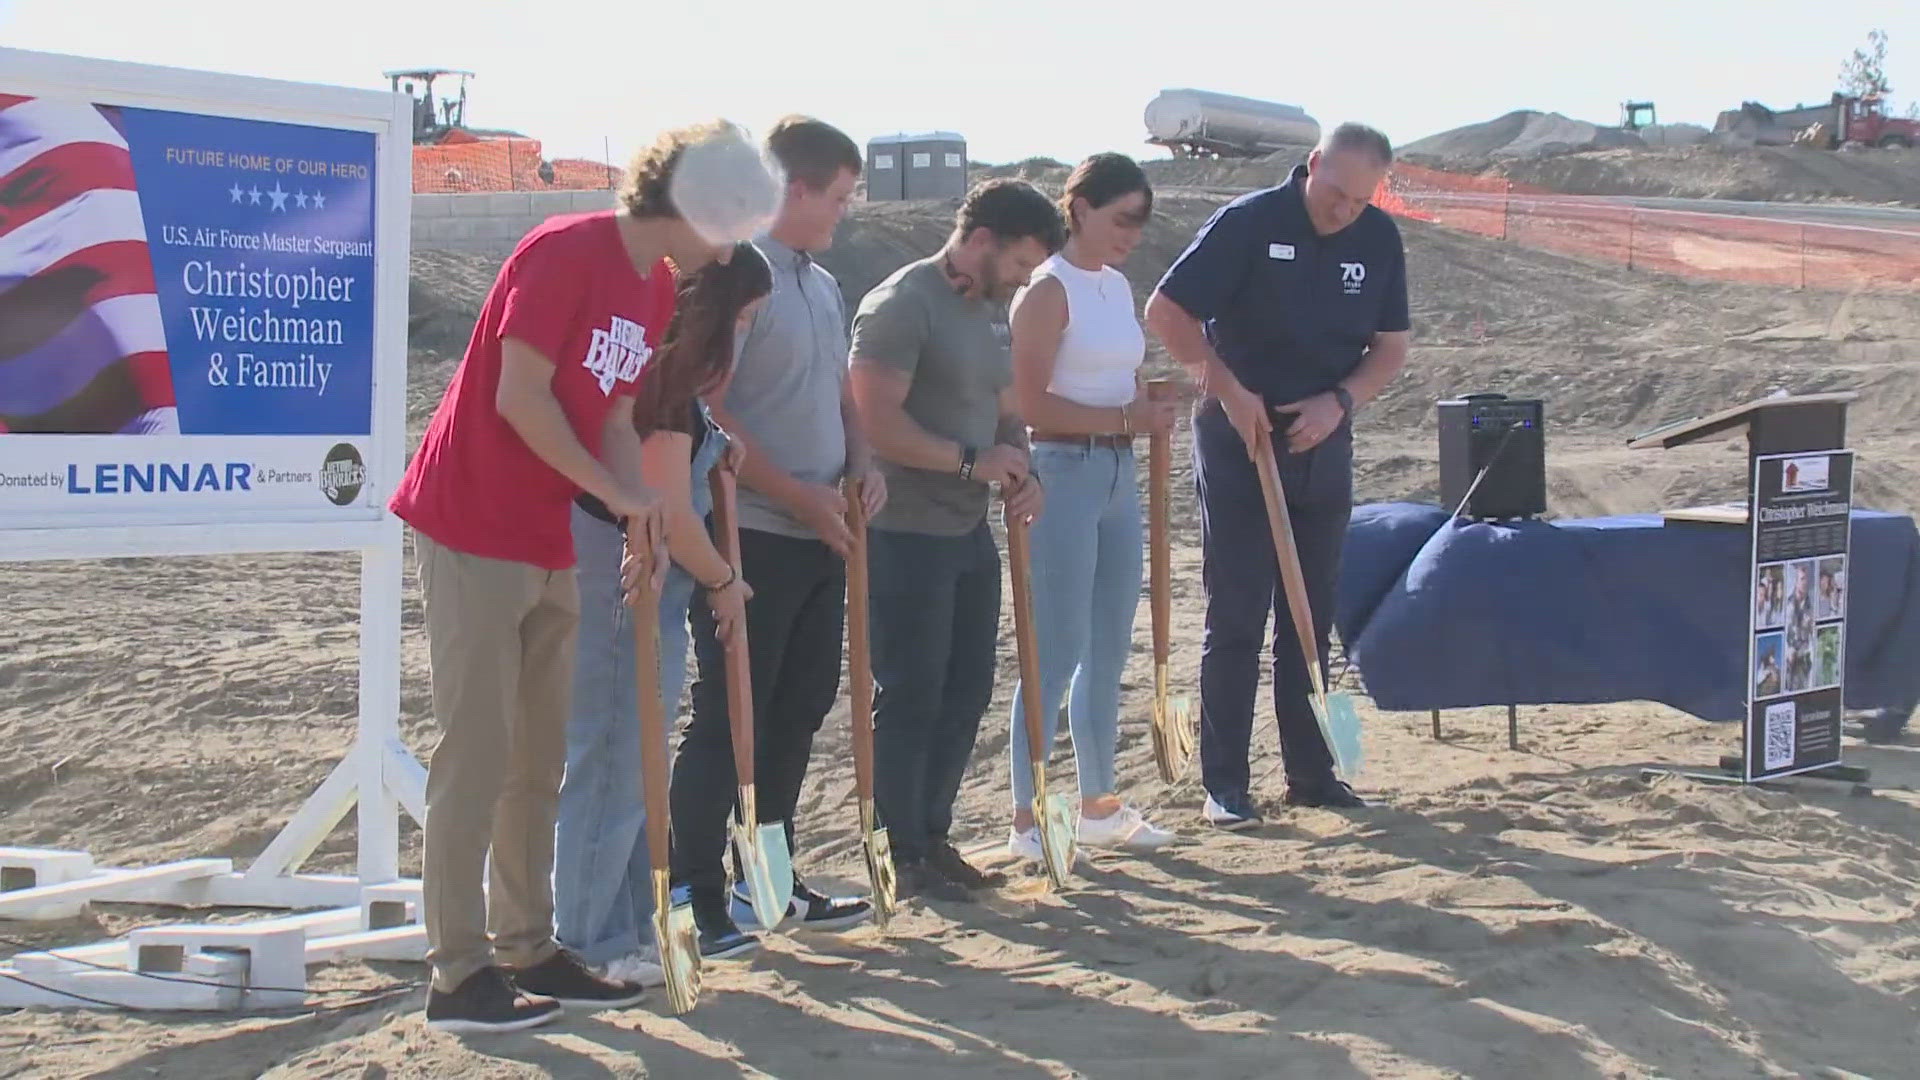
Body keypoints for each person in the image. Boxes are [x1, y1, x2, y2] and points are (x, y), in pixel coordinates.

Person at [389, 119, 778, 1035]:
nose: (733, 240)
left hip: (548, 537)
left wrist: (636, 500)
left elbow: (608, 413)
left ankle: (529, 947)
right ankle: (457, 974)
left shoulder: (653, 288)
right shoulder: (565, 250)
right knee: (477, 754)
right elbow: (517, 397)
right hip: (470, 519)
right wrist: (611, 488)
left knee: (537, 757)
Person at [1144, 122, 1412, 830]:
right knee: (1237, 613)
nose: (1343, 210)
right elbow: (1168, 313)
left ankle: (1314, 774)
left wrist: (1341, 401)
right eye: (1335, 193)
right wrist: (1225, 389)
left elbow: (1390, 346)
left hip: (1322, 439)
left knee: (1309, 616)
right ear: (1313, 164)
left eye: (1360, 200)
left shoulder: (1379, 239)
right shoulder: (1249, 223)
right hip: (1241, 438)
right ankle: (1225, 784)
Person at [678, 116, 885, 948]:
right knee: (732, 715)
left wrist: (860, 463)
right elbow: (712, 409)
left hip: (822, 531)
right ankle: (694, 889)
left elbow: (841, 396)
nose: (843, 212)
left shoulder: (822, 283)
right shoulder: (740, 278)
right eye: (836, 197)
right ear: (795, 189)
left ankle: (768, 877)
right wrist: (796, 495)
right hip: (749, 532)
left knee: (798, 707)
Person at [552, 242, 774, 984]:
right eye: (743, 320)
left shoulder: (677, 392)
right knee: (616, 756)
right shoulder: (664, 382)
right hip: (628, 578)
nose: (745, 338)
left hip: (644, 579)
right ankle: (588, 940)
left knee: (638, 762)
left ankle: (626, 930)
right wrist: (725, 580)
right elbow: (672, 516)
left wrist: (718, 445)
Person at [848, 178, 1061, 900]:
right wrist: (971, 462)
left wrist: (1019, 465)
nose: (1025, 279)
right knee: (911, 691)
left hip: (969, 529)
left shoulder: (994, 313)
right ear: (979, 241)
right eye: (1021, 263)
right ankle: (897, 850)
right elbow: (872, 421)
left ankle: (932, 837)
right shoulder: (902, 305)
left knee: (966, 688)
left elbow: (1007, 411)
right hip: (903, 530)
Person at [1002, 153, 1178, 862]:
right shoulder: (1046, 292)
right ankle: (1026, 816)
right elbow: (1029, 403)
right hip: (1062, 472)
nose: (1130, 235)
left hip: (1115, 475)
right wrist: (1127, 421)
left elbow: (1122, 382)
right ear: (1079, 209)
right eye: (1120, 219)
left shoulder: (1116, 286)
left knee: (1110, 642)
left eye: (1139, 223)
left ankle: (1098, 801)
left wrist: (1152, 409)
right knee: (1056, 647)